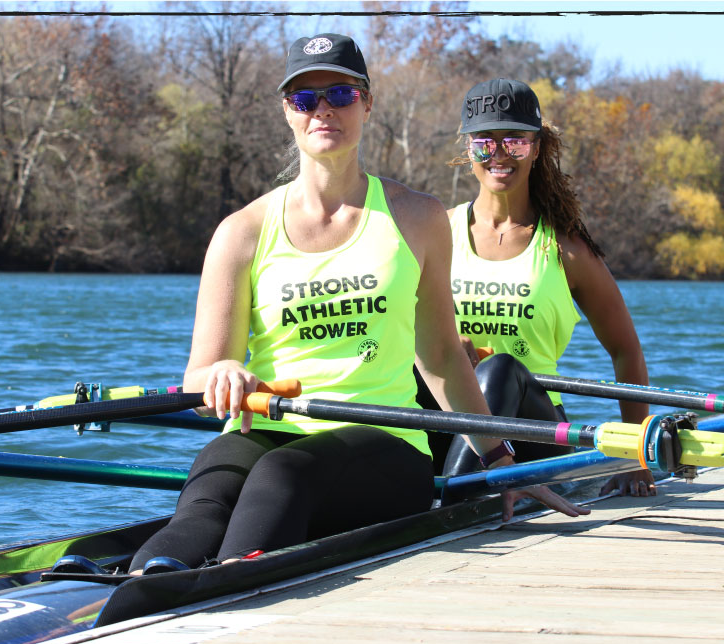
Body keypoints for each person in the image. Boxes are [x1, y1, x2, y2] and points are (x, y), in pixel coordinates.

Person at [126, 38, 587, 576]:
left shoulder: (416, 218)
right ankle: (139, 579)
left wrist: (500, 461)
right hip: (267, 426)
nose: (323, 109)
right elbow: (199, 383)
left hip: (387, 444)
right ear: (287, 112)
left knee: (282, 475)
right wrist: (223, 374)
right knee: (208, 491)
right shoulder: (240, 233)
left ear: (366, 103)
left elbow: (439, 355)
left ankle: (223, 582)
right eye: (305, 98)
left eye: (340, 93)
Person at [440, 78, 655, 497]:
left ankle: (450, 504)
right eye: (486, 142)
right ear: (469, 150)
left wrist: (634, 455)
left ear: (536, 148)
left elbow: (626, 349)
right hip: (453, 417)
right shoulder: (436, 231)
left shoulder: (565, 248)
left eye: (515, 142)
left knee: (499, 369)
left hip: (532, 432)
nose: (499, 154)